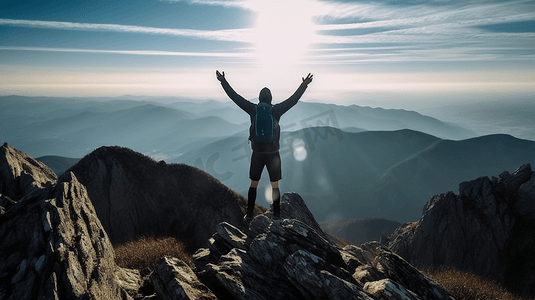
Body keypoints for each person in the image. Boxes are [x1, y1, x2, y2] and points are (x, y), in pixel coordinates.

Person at [216, 70, 313, 221]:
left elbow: (235, 97)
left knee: (253, 185)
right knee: (275, 186)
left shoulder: (252, 109)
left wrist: (223, 81)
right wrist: (304, 85)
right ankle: (277, 215)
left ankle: (249, 215)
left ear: (260, 98)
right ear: (270, 99)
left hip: (257, 154)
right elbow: (293, 100)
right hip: (273, 153)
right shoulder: (276, 110)